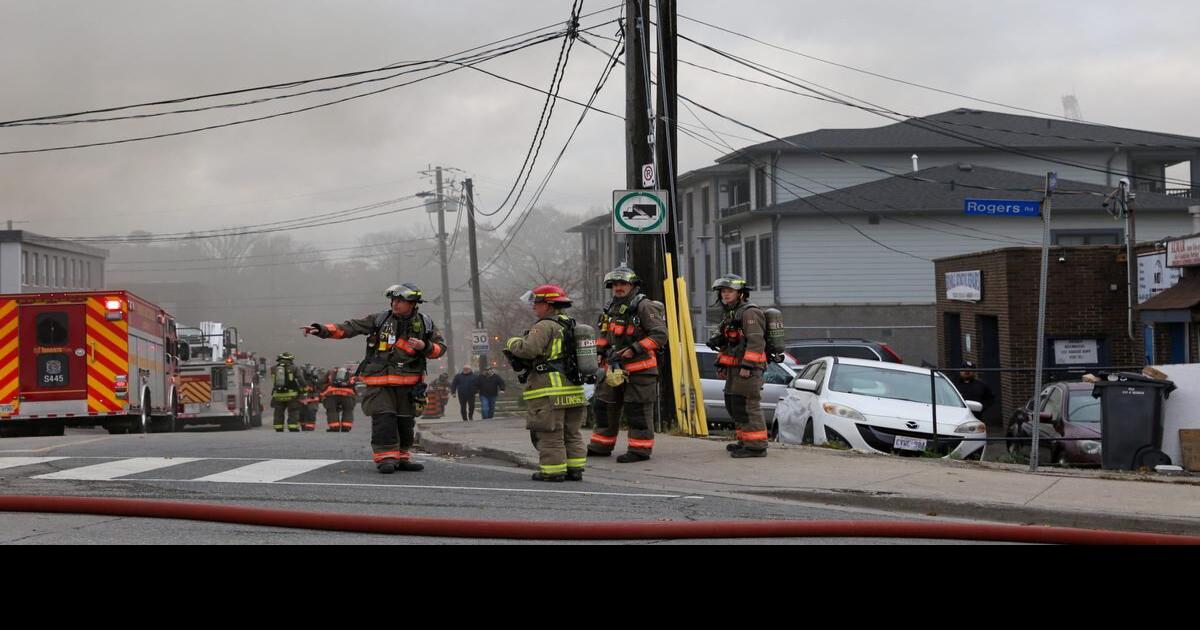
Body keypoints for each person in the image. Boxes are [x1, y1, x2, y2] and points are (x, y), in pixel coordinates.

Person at [305, 283, 446, 474]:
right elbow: (350, 327)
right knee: (384, 419)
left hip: (410, 385)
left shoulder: (425, 323)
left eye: (399, 301)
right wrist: (322, 330)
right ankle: (386, 458)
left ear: (412, 303)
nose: (394, 305)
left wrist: (425, 346)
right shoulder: (379, 320)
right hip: (379, 383)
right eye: (393, 301)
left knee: (405, 422)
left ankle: (402, 457)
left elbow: (440, 349)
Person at [504, 284, 587, 482]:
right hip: (575, 391)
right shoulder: (572, 325)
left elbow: (528, 350)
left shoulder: (544, 326)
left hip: (550, 392)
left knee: (550, 434)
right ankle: (575, 469)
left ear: (548, 305)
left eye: (537, 303)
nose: (534, 307)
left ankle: (553, 471)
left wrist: (512, 342)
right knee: (572, 433)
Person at [587, 264, 668, 463]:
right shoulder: (611, 308)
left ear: (632, 286)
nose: (618, 287)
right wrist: (600, 351)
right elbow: (606, 335)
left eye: (623, 283)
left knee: (637, 411)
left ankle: (640, 450)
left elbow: (660, 335)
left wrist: (635, 348)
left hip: (640, 371)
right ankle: (601, 445)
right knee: (604, 406)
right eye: (615, 284)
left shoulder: (643, 306)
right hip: (613, 369)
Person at [709, 274, 769, 458]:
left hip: (748, 370)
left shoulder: (750, 312)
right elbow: (729, 345)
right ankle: (745, 441)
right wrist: (721, 363)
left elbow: (756, 342)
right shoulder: (731, 313)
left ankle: (756, 446)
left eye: (730, 291)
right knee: (735, 404)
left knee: (748, 405)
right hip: (735, 369)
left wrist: (748, 366)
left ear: (741, 293)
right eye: (723, 292)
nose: (726, 295)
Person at [269, 352, 306, 433]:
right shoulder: (295, 368)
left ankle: (278, 427)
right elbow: (300, 379)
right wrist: (304, 387)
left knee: (278, 412)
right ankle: (292, 427)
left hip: (278, 395)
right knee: (293, 411)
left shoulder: (273, 369)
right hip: (292, 395)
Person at [322, 365, 357, 432]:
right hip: (347, 395)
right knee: (348, 410)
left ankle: (334, 427)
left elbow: (322, 382)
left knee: (332, 411)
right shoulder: (352, 374)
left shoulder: (330, 372)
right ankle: (346, 427)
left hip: (332, 394)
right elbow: (354, 385)